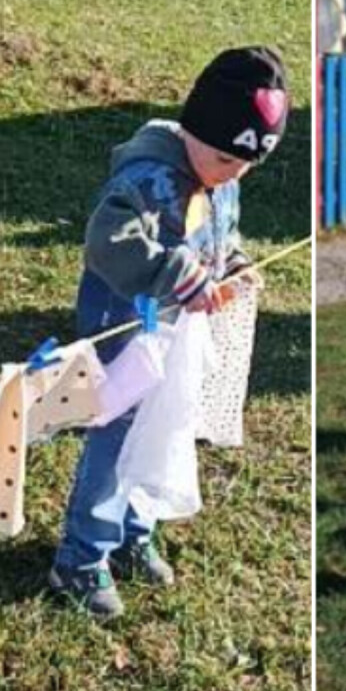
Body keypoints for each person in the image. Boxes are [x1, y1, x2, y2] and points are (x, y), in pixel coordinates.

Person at [51, 46, 289, 619]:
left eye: (245, 166)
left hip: (177, 337)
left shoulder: (218, 170)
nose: (236, 174)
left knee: (163, 430)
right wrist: (177, 273)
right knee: (116, 441)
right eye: (227, 162)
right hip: (128, 337)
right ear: (195, 132)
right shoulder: (148, 178)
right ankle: (82, 557)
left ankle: (135, 531)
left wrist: (228, 264)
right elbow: (110, 241)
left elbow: (215, 234)